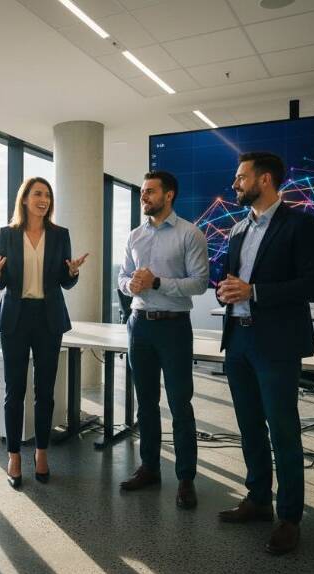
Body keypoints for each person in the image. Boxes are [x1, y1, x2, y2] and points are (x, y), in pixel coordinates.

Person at [216, 151, 314, 555]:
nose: (235, 185)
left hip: (276, 343)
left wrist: (254, 292)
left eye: (241, 178)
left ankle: (290, 518)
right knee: (249, 427)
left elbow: (313, 284)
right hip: (239, 339)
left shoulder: (301, 224)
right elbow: (235, 281)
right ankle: (259, 499)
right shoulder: (237, 230)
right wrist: (227, 290)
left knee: (283, 431)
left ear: (264, 180)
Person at [0, 177, 88, 488]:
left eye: (47, 195)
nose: (44, 199)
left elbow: (64, 281)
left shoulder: (59, 235)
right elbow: (1, 283)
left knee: (45, 391)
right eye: (38, 194)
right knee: (14, 390)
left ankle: (41, 452)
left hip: (48, 317)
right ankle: (14, 454)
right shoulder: (7, 234)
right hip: (15, 318)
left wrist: (72, 273)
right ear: (25, 199)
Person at [117, 170, 209, 509]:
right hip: (139, 324)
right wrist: (132, 286)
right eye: (142, 192)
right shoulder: (134, 236)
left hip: (174, 327)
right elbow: (122, 278)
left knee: (180, 404)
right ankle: (150, 468)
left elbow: (199, 284)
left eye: (150, 192)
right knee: (145, 402)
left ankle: (186, 478)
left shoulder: (190, 234)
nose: (144, 197)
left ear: (168, 195)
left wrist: (158, 283)